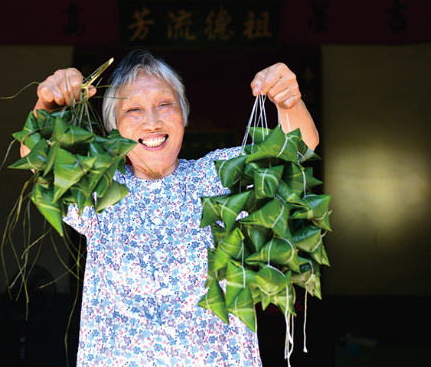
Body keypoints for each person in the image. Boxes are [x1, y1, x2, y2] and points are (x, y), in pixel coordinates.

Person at [22, 49, 319, 366]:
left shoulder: (217, 178)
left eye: (164, 105)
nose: (152, 122)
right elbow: (37, 159)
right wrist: (48, 104)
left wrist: (289, 102)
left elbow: (296, 150)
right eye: (134, 110)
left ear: (184, 115)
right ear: (114, 130)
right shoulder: (101, 190)